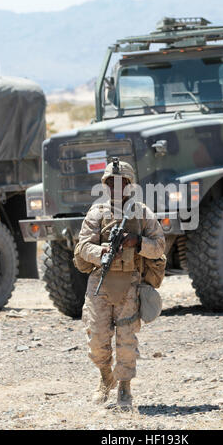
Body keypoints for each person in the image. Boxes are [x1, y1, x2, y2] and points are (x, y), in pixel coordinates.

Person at [77, 159, 165, 409]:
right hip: (100, 283)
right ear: (105, 185)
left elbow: (159, 246)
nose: (116, 188)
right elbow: (83, 246)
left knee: (126, 340)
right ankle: (106, 378)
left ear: (129, 185)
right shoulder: (97, 213)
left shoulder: (142, 213)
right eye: (111, 183)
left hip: (130, 284)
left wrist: (136, 242)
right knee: (96, 339)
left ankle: (124, 387)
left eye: (121, 183)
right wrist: (102, 251)